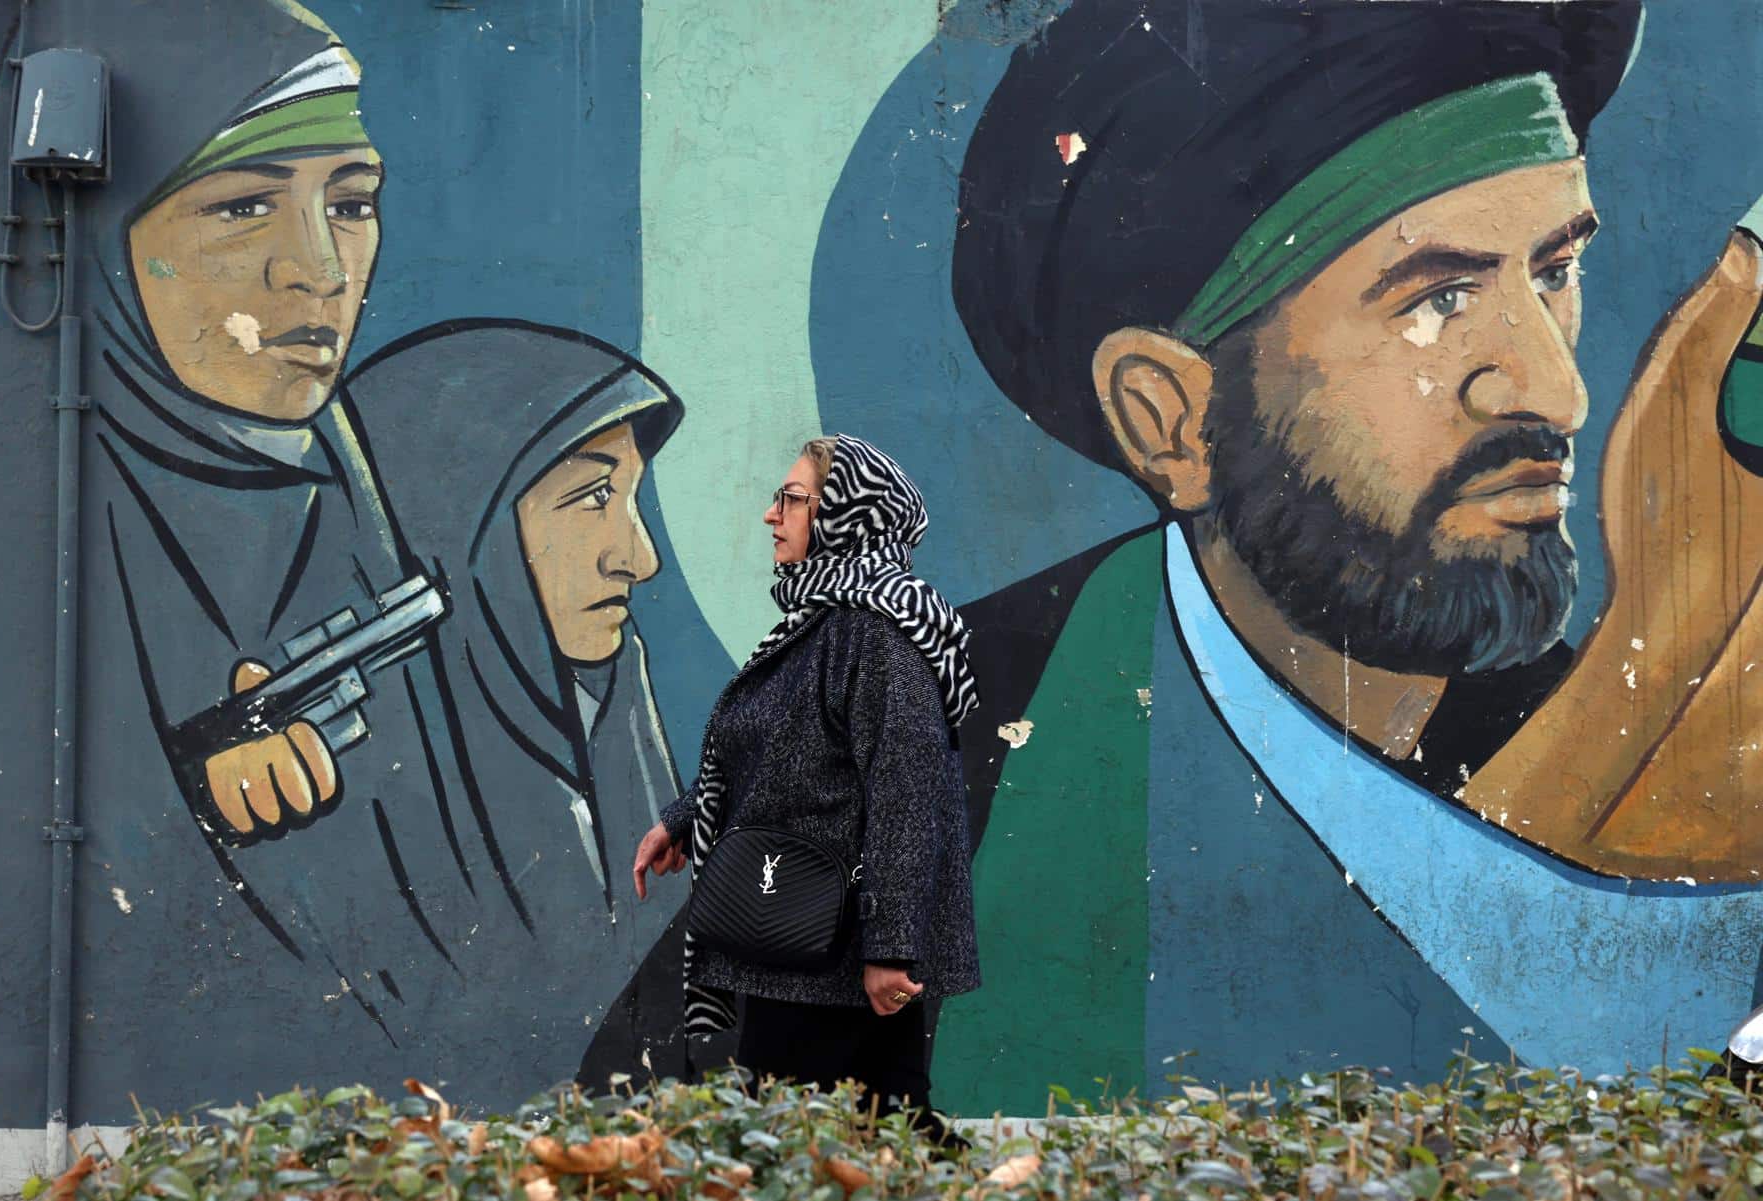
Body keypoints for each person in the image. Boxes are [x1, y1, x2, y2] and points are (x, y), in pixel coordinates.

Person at [930, 0, 1763, 1113]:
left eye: (1556, 271)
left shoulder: (1632, 742)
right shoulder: (932, 734)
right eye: (1440, 299)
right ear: (1169, 417)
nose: (1556, 390)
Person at [0, 0, 492, 1113]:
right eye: (244, 206)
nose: (320, 271)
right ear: (109, 239)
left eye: (352, 202)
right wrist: (182, 787)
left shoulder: (347, 502)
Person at [343, 318, 698, 1094]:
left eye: (629, 499)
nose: (639, 557)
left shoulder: (608, 696)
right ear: (462, 529)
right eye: (594, 496)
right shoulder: (358, 796)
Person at [630, 433, 980, 1121]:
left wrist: (891, 947)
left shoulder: (880, 635)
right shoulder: (823, 623)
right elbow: (781, 764)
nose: (772, 514)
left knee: (837, 1144)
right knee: (841, 1145)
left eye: (792, 499)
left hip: (843, 962)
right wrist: (684, 819)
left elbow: (905, 797)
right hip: (801, 949)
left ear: (847, 515)